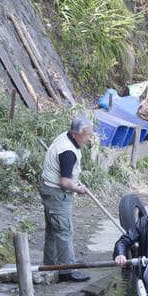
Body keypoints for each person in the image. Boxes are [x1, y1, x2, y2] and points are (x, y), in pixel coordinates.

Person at [39, 114, 95, 281]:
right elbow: (64, 182)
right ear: (75, 134)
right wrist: (78, 189)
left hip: (49, 189)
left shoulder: (66, 137)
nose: (89, 139)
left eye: (90, 135)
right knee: (64, 230)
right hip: (57, 193)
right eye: (86, 136)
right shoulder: (68, 152)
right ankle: (67, 271)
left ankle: (53, 264)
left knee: (54, 229)